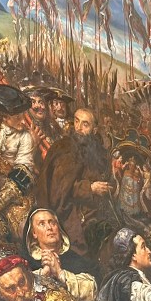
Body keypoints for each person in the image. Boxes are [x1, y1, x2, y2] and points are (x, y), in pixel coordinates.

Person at [40, 107, 112, 257]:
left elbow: (105, 178)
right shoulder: (63, 148)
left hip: (95, 210)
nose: (79, 128)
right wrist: (90, 188)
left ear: (94, 130)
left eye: (85, 124)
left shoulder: (97, 150)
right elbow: (59, 190)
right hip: (69, 212)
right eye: (77, 121)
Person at [0, 84, 37, 243]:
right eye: (18, 117)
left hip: (11, 190)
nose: (23, 121)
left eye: (23, 115)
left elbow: (24, 169)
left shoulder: (25, 137)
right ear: (4, 117)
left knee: (18, 229)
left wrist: (2, 199)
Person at [22, 207, 98, 301]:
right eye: (42, 224)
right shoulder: (26, 265)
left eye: (52, 222)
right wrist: (43, 276)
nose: (49, 227)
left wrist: (60, 273)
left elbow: (93, 293)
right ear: (34, 233)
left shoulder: (75, 259)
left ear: (58, 227)